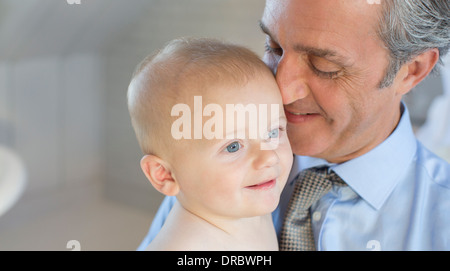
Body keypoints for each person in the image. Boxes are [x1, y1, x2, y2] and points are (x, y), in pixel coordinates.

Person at [138, 0, 450, 250]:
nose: (282, 90)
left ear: (411, 70)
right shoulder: (207, 174)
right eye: (273, 47)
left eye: (323, 66)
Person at [127, 37, 293, 250]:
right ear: (165, 174)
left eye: (273, 132)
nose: (270, 156)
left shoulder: (246, 204)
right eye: (233, 146)